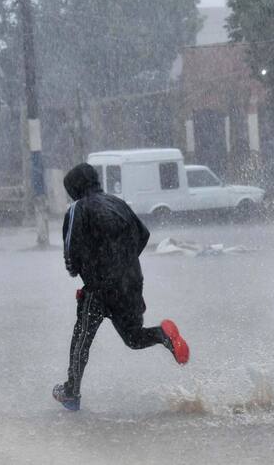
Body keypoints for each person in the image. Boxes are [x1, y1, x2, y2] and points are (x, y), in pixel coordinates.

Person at [52, 163, 189, 411]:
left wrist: (82, 271)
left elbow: (70, 252)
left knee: (82, 338)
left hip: (98, 289)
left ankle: (71, 392)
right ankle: (163, 336)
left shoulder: (77, 209)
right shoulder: (117, 203)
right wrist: (122, 264)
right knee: (133, 337)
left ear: (73, 188)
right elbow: (143, 234)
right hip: (130, 283)